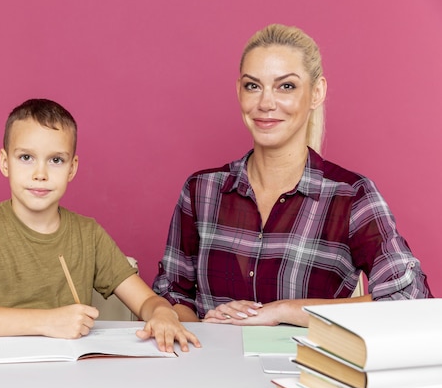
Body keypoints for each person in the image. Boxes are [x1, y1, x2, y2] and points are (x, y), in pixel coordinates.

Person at [152, 24, 432, 327]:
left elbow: (410, 298)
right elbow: (171, 296)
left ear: (317, 92)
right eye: (253, 86)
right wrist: (203, 328)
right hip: (208, 370)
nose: (266, 103)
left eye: (286, 86)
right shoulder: (201, 190)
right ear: (239, 91)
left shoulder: (350, 196)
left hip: (306, 371)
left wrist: (282, 311)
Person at [0, 98, 200, 353]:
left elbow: (146, 301)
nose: (40, 174)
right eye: (26, 157)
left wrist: (162, 312)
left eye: (56, 160)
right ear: (5, 163)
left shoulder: (88, 235)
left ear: (72, 168)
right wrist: (46, 322)